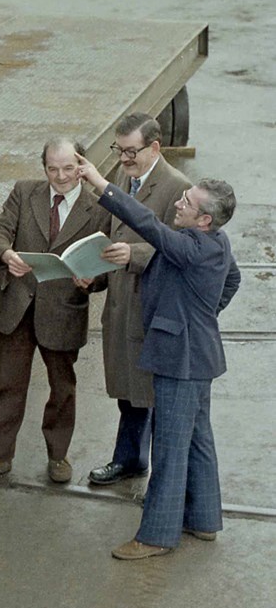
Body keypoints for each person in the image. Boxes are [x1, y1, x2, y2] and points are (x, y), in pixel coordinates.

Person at [76, 152, 240, 558]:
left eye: (188, 202)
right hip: (199, 355)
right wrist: (202, 315)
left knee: (169, 448)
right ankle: (203, 521)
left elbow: (144, 223)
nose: (179, 202)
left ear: (205, 220)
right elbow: (232, 279)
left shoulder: (189, 245)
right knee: (199, 439)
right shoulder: (217, 243)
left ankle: (156, 536)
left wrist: (100, 182)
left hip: (179, 359)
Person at [0, 139, 106, 484]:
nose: (60, 176)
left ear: (82, 167)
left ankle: (58, 456)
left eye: (69, 168)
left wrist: (93, 280)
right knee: (8, 385)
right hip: (17, 307)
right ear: (44, 168)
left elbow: (105, 261)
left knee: (62, 388)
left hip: (63, 311)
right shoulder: (25, 193)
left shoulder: (98, 209)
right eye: (52, 169)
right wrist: (6, 255)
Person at [88, 112, 191, 486]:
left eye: (131, 151)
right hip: (120, 303)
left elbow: (183, 251)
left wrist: (135, 256)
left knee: (153, 393)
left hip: (151, 306)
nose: (124, 158)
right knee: (128, 389)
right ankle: (130, 458)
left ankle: (163, 480)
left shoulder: (177, 188)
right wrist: (92, 270)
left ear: (155, 147)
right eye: (119, 150)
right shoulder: (123, 176)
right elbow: (108, 230)